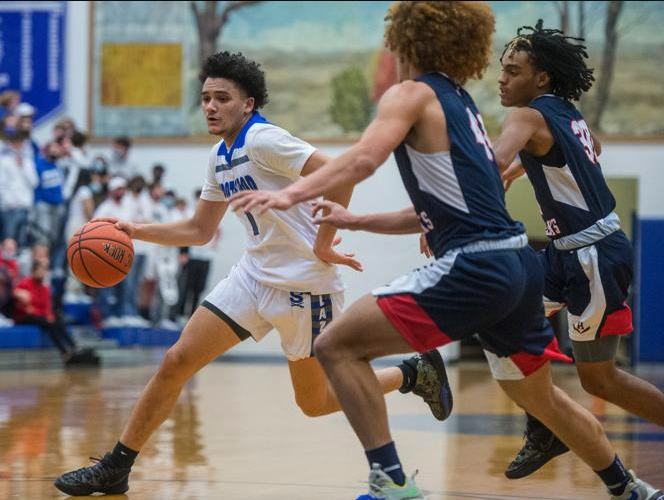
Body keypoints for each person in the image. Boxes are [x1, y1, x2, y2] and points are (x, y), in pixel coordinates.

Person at [230, 3, 663, 499]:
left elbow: (364, 158)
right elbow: (447, 203)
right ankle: (628, 488)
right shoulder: (463, 105)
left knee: (336, 346)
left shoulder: (411, 94)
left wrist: (290, 194)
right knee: (540, 398)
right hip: (522, 264)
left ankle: (392, 482)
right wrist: (357, 220)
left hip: (484, 264)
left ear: (405, 39)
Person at [53, 50, 452, 497]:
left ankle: (412, 373)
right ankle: (116, 466)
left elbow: (340, 175)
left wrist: (323, 242)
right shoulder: (219, 156)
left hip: (304, 287)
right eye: (206, 98)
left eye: (222, 98)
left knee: (316, 402)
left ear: (248, 104)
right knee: (176, 361)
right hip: (253, 277)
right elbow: (199, 230)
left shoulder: (264, 140)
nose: (210, 106)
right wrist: (135, 230)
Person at [493, 20, 664, 480]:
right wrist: (527, 167)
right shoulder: (566, 114)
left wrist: (444, 211)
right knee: (503, 313)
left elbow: (492, 160)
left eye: (512, 71)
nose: (501, 79)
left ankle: (546, 426)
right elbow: (593, 148)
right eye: (501, 69)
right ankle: (544, 426)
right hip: (565, 253)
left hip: (594, 255)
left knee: (599, 380)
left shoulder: (526, 117)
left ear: (542, 78)